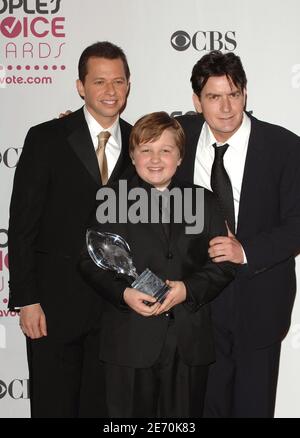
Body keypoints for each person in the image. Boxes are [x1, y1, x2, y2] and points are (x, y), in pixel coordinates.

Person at [79, 111, 236, 418]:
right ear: (133, 155)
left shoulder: (204, 201)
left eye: (166, 150)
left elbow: (224, 264)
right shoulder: (111, 200)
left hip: (188, 343)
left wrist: (187, 290)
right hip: (129, 342)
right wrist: (124, 295)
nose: (155, 159)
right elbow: (89, 260)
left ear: (180, 158)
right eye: (146, 150)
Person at [8, 41, 132, 418]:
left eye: (119, 81)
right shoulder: (46, 138)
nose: (110, 91)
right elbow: (22, 225)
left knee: (104, 410)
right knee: (53, 407)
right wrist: (27, 299)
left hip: (115, 312)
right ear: (81, 87)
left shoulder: (143, 144)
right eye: (99, 82)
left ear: (129, 85)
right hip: (53, 308)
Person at [176, 50, 300, 418]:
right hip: (197, 302)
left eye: (234, 94)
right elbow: (135, 150)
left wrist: (244, 251)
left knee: (252, 407)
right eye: (214, 97)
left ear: (246, 93)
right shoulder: (178, 136)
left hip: (259, 299)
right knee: (203, 407)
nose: (227, 107)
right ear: (197, 101)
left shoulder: (285, 147)